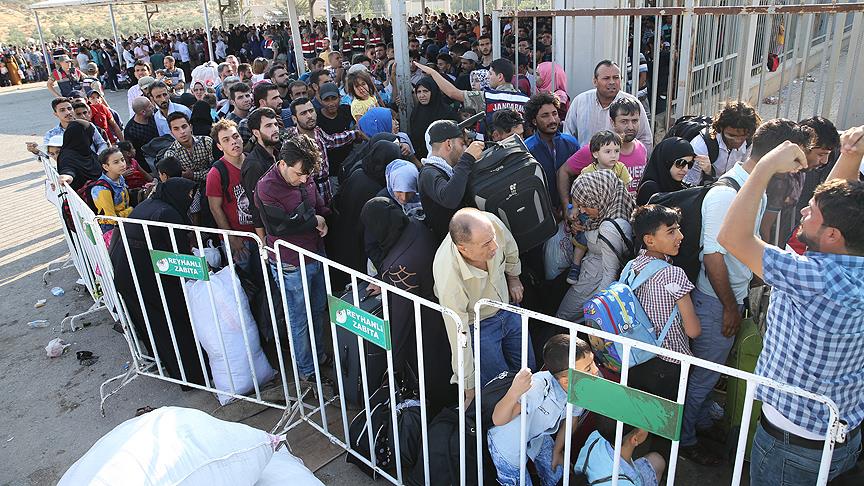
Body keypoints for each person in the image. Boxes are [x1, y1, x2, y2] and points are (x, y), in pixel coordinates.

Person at [717, 124, 864, 484]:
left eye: (810, 211)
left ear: (831, 235)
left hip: (791, 447)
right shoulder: (842, 262)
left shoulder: (814, 279)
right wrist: (850, 157)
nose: (801, 212)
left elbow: (731, 236)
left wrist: (765, 165)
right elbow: (837, 215)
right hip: (841, 434)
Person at [679, 119, 814, 465]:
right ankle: (685, 438)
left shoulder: (752, 189)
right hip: (715, 302)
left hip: (729, 300)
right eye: (797, 160)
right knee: (705, 374)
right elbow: (713, 257)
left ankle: (699, 421)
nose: (801, 171)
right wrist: (728, 308)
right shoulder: (727, 194)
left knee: (711, 373)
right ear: (779, 153)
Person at [109, 177, 207, 388]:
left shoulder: (150, 205)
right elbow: (178, 256)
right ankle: (192, 377)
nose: (191, 199)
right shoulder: (168, 214)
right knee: (173, 323)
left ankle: (167, 365)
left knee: (154, 324)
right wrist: (204, 271)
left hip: (128, 271)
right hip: (143, 276)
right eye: (189, 195)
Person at [360, 197, 456, 411]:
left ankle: (436, 409)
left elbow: (403, 319)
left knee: (431, 371)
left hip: (425, 325)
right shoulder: (413, 226)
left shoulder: (399, 264)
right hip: (440, 307)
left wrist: (394, 363)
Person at [433, 208, 533, 400]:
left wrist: (514, 278)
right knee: (501, 389)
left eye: (493, 238)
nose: (495, 246)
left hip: (509, 308)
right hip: (479, 327)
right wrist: (468, 386)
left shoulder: (489, 224)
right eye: (486, 244)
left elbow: (510, 248)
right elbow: (458, 333)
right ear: (463, 248)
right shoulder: (449, 277)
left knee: (528, 371)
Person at [255, 135, 331, 385]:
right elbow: (281, 226)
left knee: (319, 309)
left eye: (307, 174)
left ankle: (319, 356)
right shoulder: (266, 187)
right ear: (283, 163)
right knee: (299, 317)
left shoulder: (304, 175)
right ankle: (306, 370)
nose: (304, 180)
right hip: (290, 262)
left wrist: (322, 218)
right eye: (299, 174)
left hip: (315, 251)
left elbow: (316, 205)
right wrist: (313, 220)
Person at [488, 335, 592, 486]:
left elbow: (572, 420)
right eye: (588, 368)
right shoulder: (537, 387)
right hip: (508, 441)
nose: (595, 371)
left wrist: (557, 451)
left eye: (593, 363)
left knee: (559, 475)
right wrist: (514, 392)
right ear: (566, 381)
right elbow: (498, 419)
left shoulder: (579, 389)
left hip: (536, 434)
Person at [624, 205, 701, 400]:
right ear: (649, 240)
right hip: (669, 363)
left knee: (639, 417)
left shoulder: (630, 268)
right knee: (664, 423)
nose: (680, 236)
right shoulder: (673, 274)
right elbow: (693, 330)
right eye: (671, 231)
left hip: (636, 357)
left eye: (678, 229)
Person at [556, 170, 634, 321]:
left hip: (593, 282)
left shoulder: (609, 228)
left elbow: (610, 274)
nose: (582, 210)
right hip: (589, 274)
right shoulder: (612, 203)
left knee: (563, 316)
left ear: (599, 197)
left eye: (586, 205)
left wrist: (597, 310)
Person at [414, 58, 530, 137]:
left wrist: (433, 73)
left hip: (493, 154)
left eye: (490, 74)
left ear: (500, 77)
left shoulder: (487, 96)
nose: (488, 77)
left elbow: (452, 93)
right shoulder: (526, 100)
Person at [562, 60, 653, 153]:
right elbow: (568, 136)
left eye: (616, 77)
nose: (612, 82)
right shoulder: (580, 101)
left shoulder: (632, 103)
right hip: (584, 163)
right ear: (595, 81)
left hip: (621, 165)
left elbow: (645, 139)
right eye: (606, 78)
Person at [560, 97, 648, 194]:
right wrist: (568, 206)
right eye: (624, 121)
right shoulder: (596, 149)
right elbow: (563, 172)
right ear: (612, 122)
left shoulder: (642, 149)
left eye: (635, 121)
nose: (631, 127)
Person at [285, 97, 362, 207]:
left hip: (326, 190)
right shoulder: (292, 143)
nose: (309, 116)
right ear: (294, 118)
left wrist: (355, 134)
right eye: (303, 113)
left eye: (311, 111)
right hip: (308, 196)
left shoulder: (317, 131)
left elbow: (332, 140)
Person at [418, 120, 485, 241]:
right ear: (449, 144)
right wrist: (467, 159)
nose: (464, 148)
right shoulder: (428, 173)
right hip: (455, 249)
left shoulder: (450, 169)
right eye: (461, 143)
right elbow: (449, 198)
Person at [206, 119, 254, 266]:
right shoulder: (216, 173)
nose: (233, 142)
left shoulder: (253, 161)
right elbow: (215, 208)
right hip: (239, 238)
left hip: (260, 234)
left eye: (235, 136)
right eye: (226, 140)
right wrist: (232, 237)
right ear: (219, 146)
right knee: (246, 282)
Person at [523, 92, 580, 211]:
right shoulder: (527, 149)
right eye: (545, 116)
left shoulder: (571, 143)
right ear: (534, 121)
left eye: (555, 114)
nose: (552, 120)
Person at [575, 414, 667, 486]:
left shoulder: (596, 437)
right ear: (635, 439)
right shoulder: (626, 483)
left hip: (598, 476)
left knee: (656, 460)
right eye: (644, 421)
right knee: (657, 460)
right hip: (625, 479)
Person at [683, 101, 761, 186]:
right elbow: (689, 186)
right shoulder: (701, 146)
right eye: (732, 135)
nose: (738, 141)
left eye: (743, 136)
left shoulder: (749, 142)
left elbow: (744, 174)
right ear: (721, 129)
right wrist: (709, 174)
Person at [163, 112, 214, 219]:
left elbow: (215, 171)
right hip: (188, 194)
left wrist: (193, 175)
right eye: (176, 129)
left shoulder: (206, 142)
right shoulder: (171, 155)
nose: (182, 132)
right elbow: (176, 184)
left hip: (211, 185)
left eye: (184, 126)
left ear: (190, 127)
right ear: (171, 133)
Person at [241, 107, 281, 239]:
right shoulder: (254, 164)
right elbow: (255, 205)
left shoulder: (280, 151)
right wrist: (263, 242)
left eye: (275, 124)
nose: (275, 129)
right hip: (272, 232)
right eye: (268, 126)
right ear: (256, 133)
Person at [635, 137, 699, 205]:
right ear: (666, 162)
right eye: (680, 163)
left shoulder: (681, 186)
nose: (685, 169)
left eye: (690, 164)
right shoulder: (649, 189)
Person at [315, 82, 355, 178]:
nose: (331, 103)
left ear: (340, 98)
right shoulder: (317, 118)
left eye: (334, 98)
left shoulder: (347, 111)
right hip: (331, 172)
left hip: (350, 166)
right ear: (320, 101)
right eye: (326, 100)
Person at [92, 147, 133, 234]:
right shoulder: (102, 189)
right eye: (116, 162)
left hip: (125, 221)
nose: (122, 164)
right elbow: (111, 219)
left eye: (122, 160)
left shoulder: (120, 177)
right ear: (106, 167)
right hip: (112, 228)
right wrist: (131, 211)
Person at [56, 120, 103, 191]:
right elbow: (67, 168)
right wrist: (67, 176)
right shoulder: (67, 157)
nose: (91, 138)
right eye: (90, 134)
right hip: (86, 198)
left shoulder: (86, 152)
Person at [123, 96, 160, 172]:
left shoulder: (155, 115)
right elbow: (135, 154)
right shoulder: (131, 130)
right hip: (149, 162)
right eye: (150, 106)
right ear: (143, 112)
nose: (153, 107)